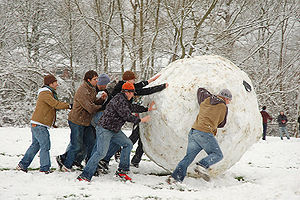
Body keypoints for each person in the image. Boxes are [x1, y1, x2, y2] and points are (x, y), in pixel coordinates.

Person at [77, 82, 154, 182]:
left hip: (114, 130)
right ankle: (85, 175)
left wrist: (147, 109)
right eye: (131, 92)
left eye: (133, 92)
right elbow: (126, 115)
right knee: (101, 153)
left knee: (128, 144)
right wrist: (141, 120)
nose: (133, 94)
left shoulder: (125, 100)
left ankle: (122, 170)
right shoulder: (119, 100)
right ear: (126, 92)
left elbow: (132, 108)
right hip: (104, 129)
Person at [97, 70, 167, 172]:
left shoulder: (125, 89)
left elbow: (136, 93)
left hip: (113, 121)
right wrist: (162, 86)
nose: (134, 81)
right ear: (128, 81)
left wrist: (150, 81)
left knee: (119, 142)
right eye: (133, 79)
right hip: (108, 120)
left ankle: (106, 162)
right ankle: (97, 165)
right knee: (105, 147)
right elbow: (142, 92)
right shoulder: (123, 91)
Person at [166, 88, 232, 183]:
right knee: (218, 155)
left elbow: (200, 90)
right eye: (229, 100)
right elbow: (222, 124)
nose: (229, 102)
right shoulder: (223, 107)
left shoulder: (206, 99)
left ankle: (175, 178)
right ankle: (202, 165)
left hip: (194, 132)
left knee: (188, 158)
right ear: (226, 98)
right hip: (205, 133)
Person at [17, 75, 71, 174]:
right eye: (55, 82)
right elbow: (55, 104)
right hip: (39, 124)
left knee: (35, 146)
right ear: (50, 83)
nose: (57, 84)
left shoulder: (47, 92)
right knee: (45, 146)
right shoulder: (45, 93)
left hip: (37, 124)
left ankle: (22, 165)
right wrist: (69, 105)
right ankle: (45, 168)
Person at [56, 70, 106, 172]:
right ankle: (66, 164)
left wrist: (101, 99)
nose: (97, 81)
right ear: (88, 80)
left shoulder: (91, 89)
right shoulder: (83, 90)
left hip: (86, 121)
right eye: (95, 79)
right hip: (76, 121)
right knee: (76, 144)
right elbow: (90, 108)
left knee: (90, 142)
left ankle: (76, 162)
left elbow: (92, 102)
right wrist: (103, 106)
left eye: (97, 79)